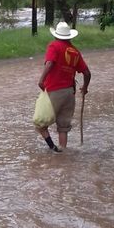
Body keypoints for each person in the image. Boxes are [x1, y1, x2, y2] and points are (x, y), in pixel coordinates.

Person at [36, 21, 91, 152]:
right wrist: (85, 88)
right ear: (69, 37)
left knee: (40, 124)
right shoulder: (75, 51)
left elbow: (49, 64)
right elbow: (87, 73)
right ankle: (63, 152)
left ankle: (53, 148)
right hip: (69, 93)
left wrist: (41, 80)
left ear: (56, 35)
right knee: (63, 127)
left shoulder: (54, 46)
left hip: (54, 91)